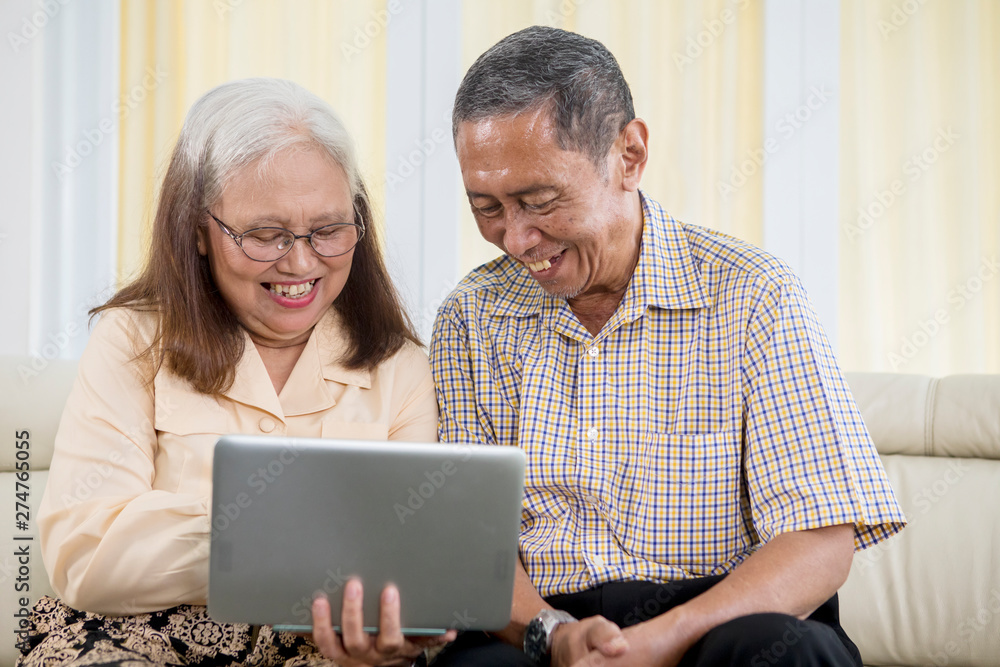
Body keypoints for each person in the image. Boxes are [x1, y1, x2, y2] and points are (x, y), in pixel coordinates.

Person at [428, 26, 906, 667]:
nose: (515, 238)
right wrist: (554, 633)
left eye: (538, 200)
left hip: (724, 618)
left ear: (629, 155)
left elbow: (820, 540)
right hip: (547, 627)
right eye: (486, 207)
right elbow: (475, 545)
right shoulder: (470, 317)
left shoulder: (754, 295)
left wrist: (664, 639)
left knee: (779, 652)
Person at [20, 78, 454, 667]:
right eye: (264, 236)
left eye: (328, 230)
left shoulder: (401, 368)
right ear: (198, 230)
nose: (300, 262)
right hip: (138, 642)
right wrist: (286, 529)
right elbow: (88, 557)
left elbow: (406, 577)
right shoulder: (133, 339)